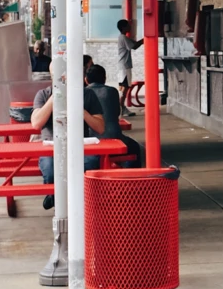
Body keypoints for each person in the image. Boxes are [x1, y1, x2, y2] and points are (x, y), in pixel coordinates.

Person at [31, 65, 105, 209]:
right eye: (58, 76)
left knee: (89, 163)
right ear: (52, 77)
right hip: (50, 146)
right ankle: (53, 195)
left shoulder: (87, 95)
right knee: (51, 168)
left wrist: (80, 109)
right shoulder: (43, 94)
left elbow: (100, 127)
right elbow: (36, 123)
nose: (62, 79)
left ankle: (82, 199)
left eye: (65, 76)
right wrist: (54, 99)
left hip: (79, 144)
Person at [85, 63, 142, 167]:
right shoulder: (111, 91)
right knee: (135, 147)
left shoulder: (83, 94)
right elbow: (116, 113)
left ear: (86, 80)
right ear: (105, 78)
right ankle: (132, 177)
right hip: (114, 138)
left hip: (91, 141)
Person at [116, 19, 143, 109]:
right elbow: (134, 46)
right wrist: (144, 40)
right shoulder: (123, 38)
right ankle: (121, 107)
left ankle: (121, 107)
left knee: (124, 87)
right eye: (128, 25)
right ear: (123, 27)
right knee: (125, 87)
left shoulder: (122, 37)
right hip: (125, 66)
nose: (130, 27)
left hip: (123, 66)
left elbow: (133, 44)